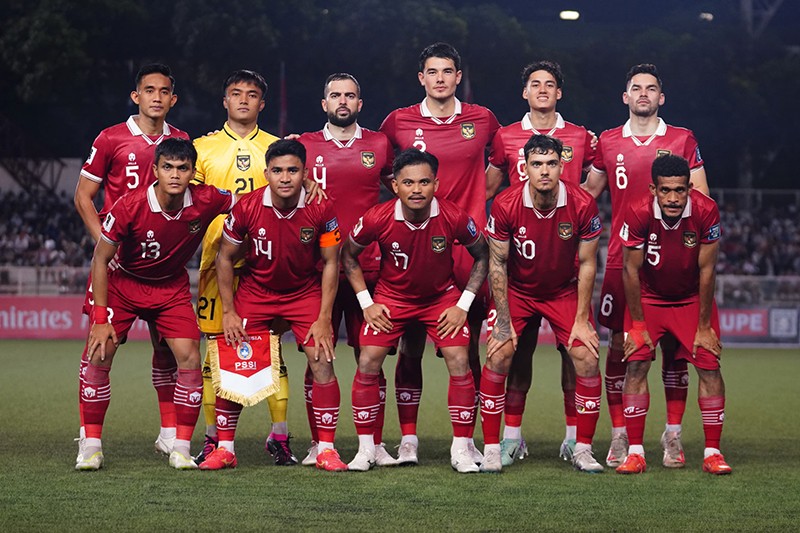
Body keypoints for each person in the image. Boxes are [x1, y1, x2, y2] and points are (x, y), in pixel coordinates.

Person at [75, 138, 235, 471]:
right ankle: (90, 446)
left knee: (189, 355)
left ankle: (179, 447)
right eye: (168, 167)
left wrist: (298, 186)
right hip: (124, 283)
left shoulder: (206, 200)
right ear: (155, 170)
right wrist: (102, 318)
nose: (175, 175)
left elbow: (249, 203)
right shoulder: (128, 206)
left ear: (193, 172)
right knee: (100, 352)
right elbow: (100, 260)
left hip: (170, 288)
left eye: (182, 168)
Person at [583, 63, 709, 468]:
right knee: (622, 351)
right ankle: (621, 436)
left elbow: (701, 199)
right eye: (635, 88)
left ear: (661, 97)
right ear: (625, 97)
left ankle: (672, 435)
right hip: (624, 262)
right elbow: (588, 193)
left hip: (675, 262)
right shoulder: (607, 141)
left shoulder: (682, 139)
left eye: (650, 88)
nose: (643, 94)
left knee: (675, 352)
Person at [380, 42, 499, 464]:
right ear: (422, 78)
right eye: (433, 71)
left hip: (467, 247)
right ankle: (408, 439)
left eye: (448, 71)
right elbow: (382, 172)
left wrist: (473, 207)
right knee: (410, 344)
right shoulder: (398, 121)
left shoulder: (482, 119)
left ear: (458, 77)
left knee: (466, 349)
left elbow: (500, 166)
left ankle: (469, 441)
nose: (440, 78)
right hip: (414, 246)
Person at [199, 139, 347, 471]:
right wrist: (229, 311)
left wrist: (324, 317)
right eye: (277, 170)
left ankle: (325, 449)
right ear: (266, 173)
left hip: (303, 292)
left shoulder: (321, 207)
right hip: (257, 291)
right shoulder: (248, 207)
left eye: (293, 170)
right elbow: (225, 258)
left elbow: (332, 262)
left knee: (322, 359)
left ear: (305, 174)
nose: (284, 177)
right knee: (233, 361)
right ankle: (224, 448)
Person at [342, 148, 489, 472]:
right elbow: (348, 255)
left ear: (436, 184)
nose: (417, 189)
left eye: (424, 182)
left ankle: (461, 449)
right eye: (408, 182)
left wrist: (463, 305)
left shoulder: (453, 216)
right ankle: (367, 449)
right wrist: (367, 303)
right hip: (392, 298)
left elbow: (483, 255)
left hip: (440, 299)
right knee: (367, 359)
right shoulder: (378, 217)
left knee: (460, 358)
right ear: (395, 186)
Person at [74, 63, 189, 460]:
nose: (156, 97)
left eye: (164, 91)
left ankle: (170, 432)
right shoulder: (111, 138)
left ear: (173, 99)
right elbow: (83, 196)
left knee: (169, 352)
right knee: (101, 349)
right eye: (149, 90)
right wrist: (105, 243)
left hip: (164, 270)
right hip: (119, 270)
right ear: (135, 96)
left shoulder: (181, 141)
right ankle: (90, 441)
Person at [486, 60, 596, 465]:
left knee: (579, 354)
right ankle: (507, 441)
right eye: (535, 84)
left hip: (562, 277)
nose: (543, 90)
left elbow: (598, 177)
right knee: (510, 353)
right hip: (518, 275)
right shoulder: (505, 138)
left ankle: (577, 442)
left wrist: (580, 212)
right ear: (525, 92)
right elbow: (489, 183)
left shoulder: (582, 137)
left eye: (551, 84)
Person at [191, 69, 299, 466]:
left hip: (264, 265)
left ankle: (280, 436)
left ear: (261, 104)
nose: (243, 100)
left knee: (271, 352)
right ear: (225, 100)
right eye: (235, 93)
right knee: (215, 353)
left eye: (251, 95)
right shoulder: (201, 149)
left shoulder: (279, 149)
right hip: (213, 262)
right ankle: (212, 439)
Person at [297, 73, 395, 466]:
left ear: (360, 103)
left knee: (370, 355)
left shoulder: (379, 143)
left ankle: (373, 443)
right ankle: (319, 443)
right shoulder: (304, 145)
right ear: (324, 104)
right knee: (317, 356)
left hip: (367, 267)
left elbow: (400, 185)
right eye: (335, 95)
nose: (342, 101)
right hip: (316, 269)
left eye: (350, 95)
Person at [615, 154, 730, 475]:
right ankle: (635, 452)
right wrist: (637, 325)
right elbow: (630, 271)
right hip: (649, 300)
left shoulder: (707, 211)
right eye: (666, 191)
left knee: (709, 366)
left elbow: (708, 270)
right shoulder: (637, 212)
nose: (673, 198)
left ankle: (712, 452)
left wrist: (704, 326)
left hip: (691, 299)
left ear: (690, 188)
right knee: (636, 364)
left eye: (680, 190)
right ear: (654, 189)